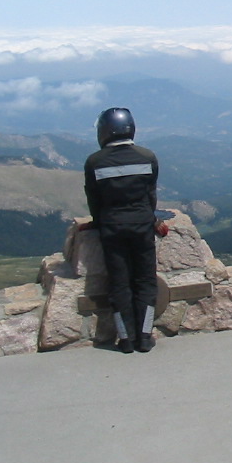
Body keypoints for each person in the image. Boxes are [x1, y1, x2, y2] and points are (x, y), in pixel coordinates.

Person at [84, 107, 166, 354]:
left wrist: (98, 221)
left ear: (105, 131)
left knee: (119, 283)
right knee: (146, 281)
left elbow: (94, 199)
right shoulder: (147, 157)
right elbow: (150, 195)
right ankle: (145, 336)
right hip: (142, 225)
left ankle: (126, 338)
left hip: (112, 228)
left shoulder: (95, 162)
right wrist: (151, 219)